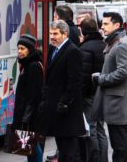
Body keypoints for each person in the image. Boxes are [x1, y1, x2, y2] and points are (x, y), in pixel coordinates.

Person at [92, 12, 127, 162]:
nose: (102, 27)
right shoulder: (115, 42)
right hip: (115, 100)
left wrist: (101, 79)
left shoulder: (121, 45)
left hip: (118, 102)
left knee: (120, 143)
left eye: (106, 24)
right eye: (102, 23)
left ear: (117, 25)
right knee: (118, 141)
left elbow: (123, 72)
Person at [38, 20, 85, 162]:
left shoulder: (72, 51)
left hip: (67, 110)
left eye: (55, 34)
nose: (51, 37)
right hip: (55, 108)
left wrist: (64, 103)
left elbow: (74, 82)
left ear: (65, 34)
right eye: (51, 33)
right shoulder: (54, 48)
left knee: (68, 150)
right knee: (61, 148)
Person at [78, 15, 107, 162]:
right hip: (101, 92)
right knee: (101, 129)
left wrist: (80, 95)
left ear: (82, 31)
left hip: (89, 95)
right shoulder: (104, 45)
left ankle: (94, 158)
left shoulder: (84, 48)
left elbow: (83, 76)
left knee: (91, 129)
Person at [12, 34, 45, 162]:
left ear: (30, 49)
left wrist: (26, 118)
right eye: (18, 48)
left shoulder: (33, 66)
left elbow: (34, 95)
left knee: (32, 145)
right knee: (28, 147)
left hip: (31, 116)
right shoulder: (27, 64)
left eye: (23, 49)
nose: (20, 51)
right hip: (28, 114)